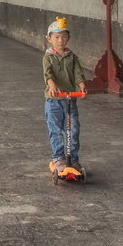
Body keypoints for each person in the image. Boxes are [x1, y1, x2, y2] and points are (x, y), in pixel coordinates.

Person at [42, 17, 87, 172]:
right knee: (55, 130)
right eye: (56, 37)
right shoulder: (48, 57)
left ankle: (73, 159)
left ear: (68, 38)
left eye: (63, 37)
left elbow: (78, 73)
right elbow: (47, 74)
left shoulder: (72, 57)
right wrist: (53, 86)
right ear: (49, 39)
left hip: (69, 99)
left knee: (73, 129)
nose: (60, 40)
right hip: (53, 101)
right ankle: (59, 158)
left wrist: (82, 86)